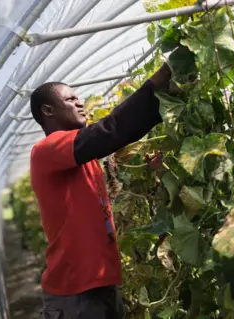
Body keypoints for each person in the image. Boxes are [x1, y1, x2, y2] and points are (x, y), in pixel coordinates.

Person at [29, 62, 172, 319]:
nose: (80, 102)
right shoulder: (46, 151)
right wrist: (157, 84)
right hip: (76, 293)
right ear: (48, 110)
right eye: (71, 99)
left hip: (100, 284)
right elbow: (111, 131)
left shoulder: (83, 157)